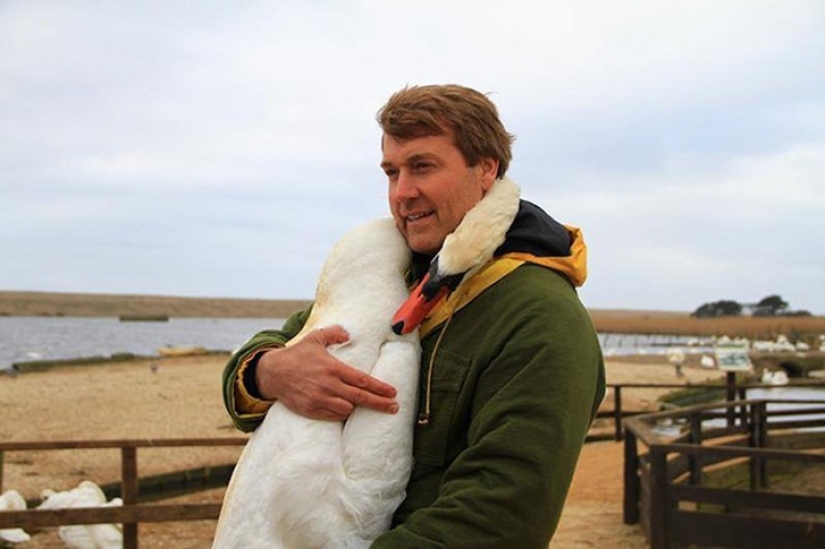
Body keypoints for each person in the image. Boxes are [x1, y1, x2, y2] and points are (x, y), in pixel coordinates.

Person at [222, 84, 606, 547]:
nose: (402, 193)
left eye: (422, 167)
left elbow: (500, 518)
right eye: (391, 172)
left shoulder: (541, 317)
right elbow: (273, 346)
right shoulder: (400, 274)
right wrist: (268, 370)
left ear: (486, 169)